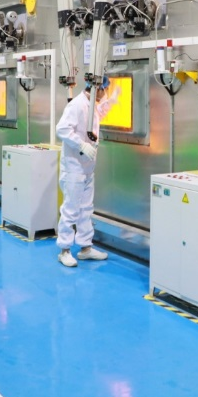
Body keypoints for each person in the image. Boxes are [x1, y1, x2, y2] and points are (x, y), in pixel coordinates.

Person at [55, 76, 118, 267]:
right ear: (97, 88)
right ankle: (64, 250)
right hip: (74, 168)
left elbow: (98, 115)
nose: (105, 93)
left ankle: (85, 248)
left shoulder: (91, 105)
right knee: (71, 209)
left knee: (86, 209)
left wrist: (111, 102)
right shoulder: (76, 105)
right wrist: (81, 144)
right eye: (105, 90)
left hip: (87, 167)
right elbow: (62, 129)